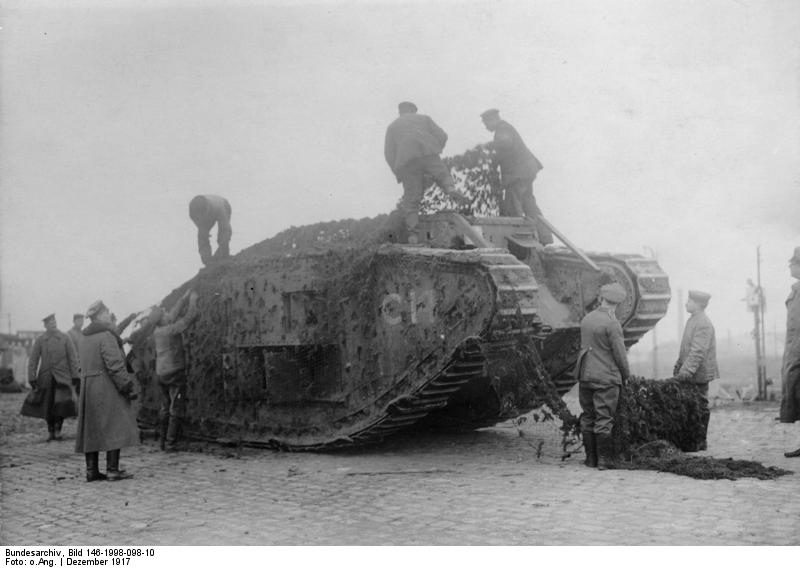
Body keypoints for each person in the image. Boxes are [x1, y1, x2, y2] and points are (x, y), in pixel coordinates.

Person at [384, 101, 468, 244]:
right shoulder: (424, 119)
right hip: (428, 153)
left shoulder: (392, 126)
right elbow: (443, 135)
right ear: (414, 111)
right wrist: (435, 148)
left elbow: (388, 153)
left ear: (400, 112)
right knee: (442, 174)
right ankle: (450, 188)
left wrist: (399, 172)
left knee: (411, 199)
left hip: (406, 162)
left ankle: (413, 235)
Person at [75, 300, 139, 482]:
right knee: (115, 424)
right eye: (105, 313)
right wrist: (127, 387)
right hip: (107, 386)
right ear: (97, 316)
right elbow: (115, 366)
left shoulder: (83, 337)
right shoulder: (106, 336)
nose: (108, 315)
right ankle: (112, 470)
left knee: (91, 428)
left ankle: (91, 471)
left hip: (88, 387)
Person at [575, 283, 630, 470]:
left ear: (602, 298)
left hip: (585, 375)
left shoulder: (587, 319)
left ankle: (590, 459)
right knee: (604, 418)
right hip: (606, 378)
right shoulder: (612, 324)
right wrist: (626, 375)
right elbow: (620, 355)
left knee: (588, 416)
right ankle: (604, 460)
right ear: (619, 303)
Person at [479, 108, 552, 244]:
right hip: (527, 170)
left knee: (512, 204)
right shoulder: (505, 128)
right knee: (529, 203)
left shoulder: (502, 129)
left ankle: (519, 239)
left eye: (486, 123)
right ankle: (545, 237)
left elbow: (505, 143)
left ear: (493, 119)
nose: (486, 127)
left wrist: (489, 147)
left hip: (518, 172)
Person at [152, 289, 199, 451]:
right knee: (175, 407)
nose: (168, 315)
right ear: (163, 320)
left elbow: (172, 315)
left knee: (165, 408)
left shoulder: (158, 330)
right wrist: (192, 300)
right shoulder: (169, 330)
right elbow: (188, 319)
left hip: (161, 373)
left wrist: (183, 298)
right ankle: (171, 443)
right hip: (174, 373)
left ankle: (162, 442)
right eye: (165, 314)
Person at [673, 289, 719, 452]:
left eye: (689, 301)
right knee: (692, 406)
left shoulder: (703, 323)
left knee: (699, 406)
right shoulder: (693, 320)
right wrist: (679, 365)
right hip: (691, 372)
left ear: (698, 304)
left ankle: (700, 441)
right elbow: (686, 349)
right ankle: (692, 440)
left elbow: (697, 352)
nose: (686, 303)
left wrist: (685, 372)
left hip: (698, 374)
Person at [27, 314, 80, 441]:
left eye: (54, 321)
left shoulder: (65, 338)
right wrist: (32, 377)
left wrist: (75, 376)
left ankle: (58, 429)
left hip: (62, 377)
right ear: (45, 325)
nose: (53, 324)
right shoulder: (40, 339)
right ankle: (50, 430)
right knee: (48, 405)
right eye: (50, 322)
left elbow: (73, 358)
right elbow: (33, 359)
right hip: (46, 378)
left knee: (61, 404)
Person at [781, 247, 800, 457]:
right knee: (797, 394)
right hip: (795, 352)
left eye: (793, 262)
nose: (790, 266)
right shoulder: (796, 289)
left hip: (799, 353)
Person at [189, 194, 232, 265]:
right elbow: (202, 233)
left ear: (206, 209)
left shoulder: (219, 207)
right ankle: (207, 262)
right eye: (198, 217)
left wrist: (219, 252)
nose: (200, 218)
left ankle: (224, 256)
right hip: (208, 214)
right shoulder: (193, 213)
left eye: (202, 216)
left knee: (223, 233)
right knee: (202, 237)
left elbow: (226, 230)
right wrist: (208, 261)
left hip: (224, 205)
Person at [66, 313, 85, 393]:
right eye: (79, 321)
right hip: (74, 366)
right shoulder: (69, 334)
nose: (81, 323)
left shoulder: (84, 333)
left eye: (82, 321)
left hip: (83, 365)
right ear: (74, 321)